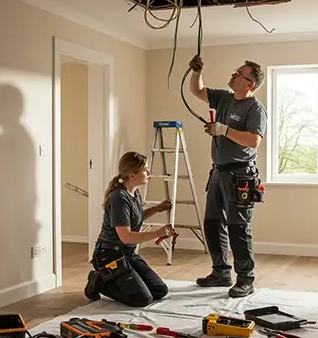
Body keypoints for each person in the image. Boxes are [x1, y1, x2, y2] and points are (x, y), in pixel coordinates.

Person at [187, 55, 268, 298]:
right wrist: (196, 72)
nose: (233, 75)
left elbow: (254, 141)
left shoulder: (255, 108)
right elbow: (197, 90)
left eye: (239, 74)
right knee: (212, 224)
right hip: (218, 172)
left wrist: (223, 130)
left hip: (240, 174)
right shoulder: (223, 97)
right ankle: (220, 272)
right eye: (235, 71)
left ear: (249, 84)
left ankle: (245, 279)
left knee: (238, 228)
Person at [83, 151, 176, 307]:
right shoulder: (118, 197)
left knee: (159, 290)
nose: (148, 173)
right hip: (110, 255)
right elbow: (126, 236)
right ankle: (99, 281)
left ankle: (118, 279)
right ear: (133, 174)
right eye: (145, 170)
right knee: (142, 299)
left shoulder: (134, 193)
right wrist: (157, 233)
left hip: (128, 254)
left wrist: (157, 208)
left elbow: (134, 218)